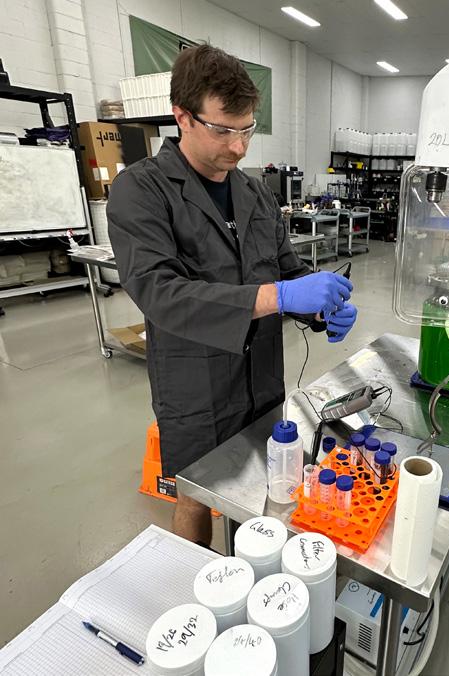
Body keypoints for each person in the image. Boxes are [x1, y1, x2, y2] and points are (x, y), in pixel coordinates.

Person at [107, 45, 357, 547]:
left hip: (260, 377)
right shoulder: (142, 190)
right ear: (183, 116)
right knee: (195, 495)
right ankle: (197, 578)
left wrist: (320, 308)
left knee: (261, 486)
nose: (239, 147)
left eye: (247, 130)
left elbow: (286, 269)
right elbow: (161, 293)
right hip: (195, 385)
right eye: (224, 130)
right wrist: (280, 295)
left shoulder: (254, 192)